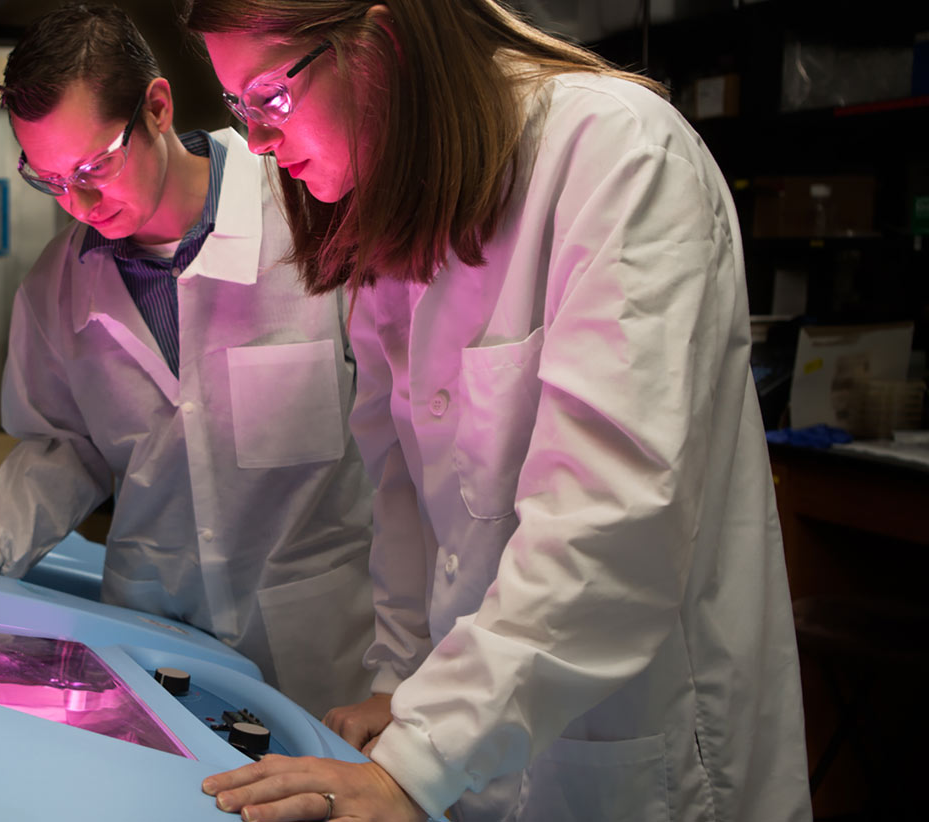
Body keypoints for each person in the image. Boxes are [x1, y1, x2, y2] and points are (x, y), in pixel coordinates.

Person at [184, 1, 811, 820]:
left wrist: (419, 758)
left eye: (269, 96)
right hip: (475, 742)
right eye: (240, 109)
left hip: (635, 750)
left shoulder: (617, 152)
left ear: (382, 40)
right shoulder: (397, 202)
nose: (258, 143)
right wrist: (403, 688)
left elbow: (607, 525)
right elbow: (405, 490)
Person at [0, 3, 376, 717]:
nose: (77, 203)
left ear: (157, 107)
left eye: (94, 166)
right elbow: (65, 443)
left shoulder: (307, 212)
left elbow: (403, 433)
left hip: (321, 637)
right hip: (154, 625)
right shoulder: (58, 285)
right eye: (47, 178)